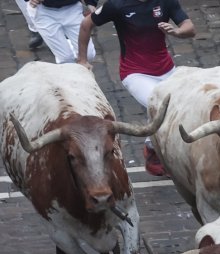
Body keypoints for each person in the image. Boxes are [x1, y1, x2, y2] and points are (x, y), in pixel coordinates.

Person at [77, 0, 195, 176]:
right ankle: (157, 152)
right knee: (163, 108)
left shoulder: (165, 1)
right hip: (135, 74)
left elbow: (190, 28)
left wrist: (177, 32)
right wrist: (82, 60)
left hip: (167, 70)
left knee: (186, 108)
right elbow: (87, 24)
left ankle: (152, 145)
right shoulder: (116, 5)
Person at [24, 0, 96, 64]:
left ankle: (69, 44)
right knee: (65, 59)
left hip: (72, 9)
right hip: (42, 11)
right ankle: (72, 77)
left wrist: (91, 2)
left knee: (88, 55)